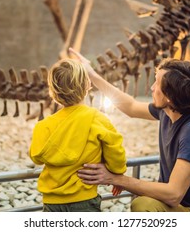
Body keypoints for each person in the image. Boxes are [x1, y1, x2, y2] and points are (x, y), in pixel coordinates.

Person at [70, 48, 190, 212]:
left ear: (169, 96)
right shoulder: (169, 110)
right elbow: (131, 107)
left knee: (143, 205)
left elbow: (174, 194)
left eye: (157, 83)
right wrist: (92, 75)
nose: (152, 88)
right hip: (173, 205)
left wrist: (117, 179)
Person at [28, 58, 127, 212]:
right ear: (87, 85)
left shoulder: (43, 126)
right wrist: (117, 172)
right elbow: (115, 148)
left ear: (53, 91)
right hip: (85, 200)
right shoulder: (97, 119)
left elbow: (36, 156)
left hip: (51, 203)